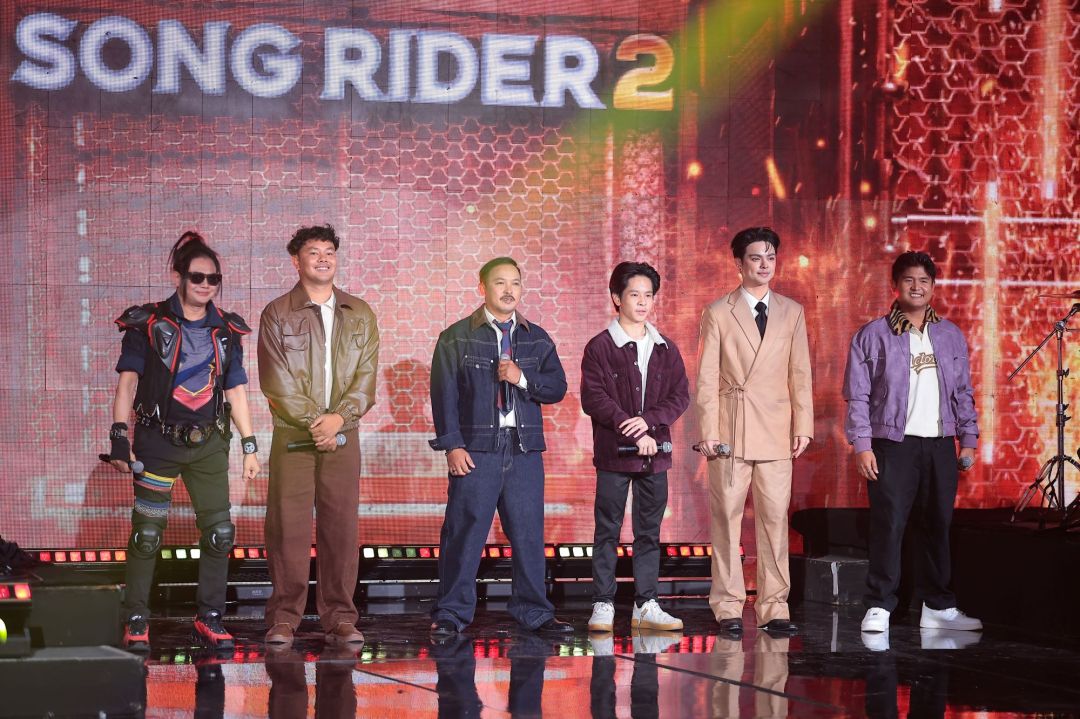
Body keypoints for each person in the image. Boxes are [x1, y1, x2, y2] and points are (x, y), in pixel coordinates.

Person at [109, 231, 260, 650]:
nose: (206, 285)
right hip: (158, 443)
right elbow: (127, 384)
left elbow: (236, 390)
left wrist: (249, 445)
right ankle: (136, 618)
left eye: (214, 279)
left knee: (220, 532)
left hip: (209, 445)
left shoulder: (227, 329)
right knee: (147, 535)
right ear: (178, 277)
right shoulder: (147, 323)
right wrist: (119, 436)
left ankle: (210, 617)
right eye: (197, 277)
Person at [428, 257, 572, 637]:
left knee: (528, 534)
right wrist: (452, 446)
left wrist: (522, 378)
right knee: (465, 531)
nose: (509, 291)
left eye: (515, 283)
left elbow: (557, 387)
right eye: (500, 283)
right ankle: (451, 613)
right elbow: (444, 397)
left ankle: (534, 611)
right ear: (482, 288)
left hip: (523, 449)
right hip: (477, 450)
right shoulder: (456, 337)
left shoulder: (536, 337)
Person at [843, 251, 982, 634]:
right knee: (889, 524)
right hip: (893, 444)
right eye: (909, 280)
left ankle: (938, 606)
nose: (916, 287)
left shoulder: (950, 334)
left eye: (924, 281)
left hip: (939, 444)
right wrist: (862, 444)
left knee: (937, 523)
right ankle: (879, 606)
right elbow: (857, 396)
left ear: (933, 287)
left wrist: (968, 438)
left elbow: (963, 392)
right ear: (895, 286)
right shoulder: (873, 335)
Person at [258, 224, 379, 647]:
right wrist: (318, 423)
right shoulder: (277, 313)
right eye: (314, 252)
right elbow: (276, 381)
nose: (323, 258)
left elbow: (366, 378)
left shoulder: (360, 312)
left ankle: (340, 616)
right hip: (293, 436)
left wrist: (339, 419)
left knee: (340, 529)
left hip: (343, 436)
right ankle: (284, 617)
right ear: (297, 260)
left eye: (330, 251)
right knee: (287, 529)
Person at [694, 226, 813, 636]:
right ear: (739, 263)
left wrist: (804, 424)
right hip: (731, 426)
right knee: (726, 518)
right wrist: (708, 430)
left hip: (777, 428)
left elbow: (800, 372)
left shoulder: (792, 311)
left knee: (775, 519)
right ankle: (728, 605)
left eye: (770, 258)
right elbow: (707, 377)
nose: (764, 265)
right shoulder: (718, 312)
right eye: (756, 258)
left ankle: (774, 606)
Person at [580, 262, 690, 633]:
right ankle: (603, 603)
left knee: (649, 533)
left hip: (655, 455)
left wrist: (649, 422)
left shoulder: (665, 348)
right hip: (614, 454)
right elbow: (594, 398)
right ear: (617, 298)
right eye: (634, 295)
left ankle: (647, 604)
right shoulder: (600, 347)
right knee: (607, 530)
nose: (642, 302)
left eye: (648, 295)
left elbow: (680, 396)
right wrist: (633, 430)